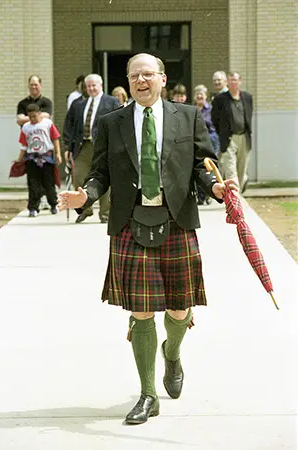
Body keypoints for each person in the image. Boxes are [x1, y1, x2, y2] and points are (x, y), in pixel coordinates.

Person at [58, 53, 238, 425]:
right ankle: (148, 394)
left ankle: (172, 352)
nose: (141, 81)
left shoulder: (186, 116)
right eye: (134, 75)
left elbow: (202, 165)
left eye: (148, 74)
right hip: (130, 220)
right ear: (127, 80)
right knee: (141, 310)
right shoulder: (112, 122)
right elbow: (100, 171)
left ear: (162, 78)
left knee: (178, 308)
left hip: (176, 219)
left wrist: (217, 188)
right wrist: (86, 197)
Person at [62, 74, 119, 223]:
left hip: (104, 147)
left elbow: (119, 125)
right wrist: (68, 146)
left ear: (101, 85)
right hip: (83, 147)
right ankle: (85, 209)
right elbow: (69, 126)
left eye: (94, 85)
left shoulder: (112, 102)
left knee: (105, 179)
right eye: (89, 86)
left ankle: (105, 213)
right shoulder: (78, 104)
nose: (92, 88)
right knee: (79, 177)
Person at [17, 104, 62, 217]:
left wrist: (58, 154)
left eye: (35, 116)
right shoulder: (26, 127)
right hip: (32, 158)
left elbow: (55, 138)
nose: (32, 119)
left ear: (39, 114)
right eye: (30, 117)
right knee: (33, 184)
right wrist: (20, 159)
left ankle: (53, 204)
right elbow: (23, 145)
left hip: (46, 157)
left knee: (49, 183)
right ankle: (33, 207)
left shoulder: (47, 123)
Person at [16, 75, 53, 210]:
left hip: (45, 148)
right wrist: (35, 117)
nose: (33, 87)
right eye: (31, 84)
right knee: (32, 179)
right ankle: (34, 204)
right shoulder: (22, 103)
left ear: (40, 85)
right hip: (29, 146)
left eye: (36, 84)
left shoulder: (46, 102)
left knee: (47, 178)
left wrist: (28, 118)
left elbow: (46, 116)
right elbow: (19, 120)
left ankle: (47, 201)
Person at [212, 71, 253, 192]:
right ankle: (234, 199)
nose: (233, 82)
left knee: (241, 170)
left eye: (235, 80)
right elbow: (215, 119)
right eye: (230, 80)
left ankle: (237, 194)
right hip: (229, 138)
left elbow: (248, 116)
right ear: (227, 82)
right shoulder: (220, 99)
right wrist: (222, 133)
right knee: (230, 170)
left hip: (244, 137)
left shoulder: (247, 97)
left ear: (240, 81)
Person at [194, 84, 220, 205]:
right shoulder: (192, 110)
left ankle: (209, 192)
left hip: (211, 139)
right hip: (196, 141)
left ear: (205, 96)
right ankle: (201, 195)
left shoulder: (211, 109)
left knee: (210, 166)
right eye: (197, 94)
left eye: (201, 94)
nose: (199, 96)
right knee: (199, 166)